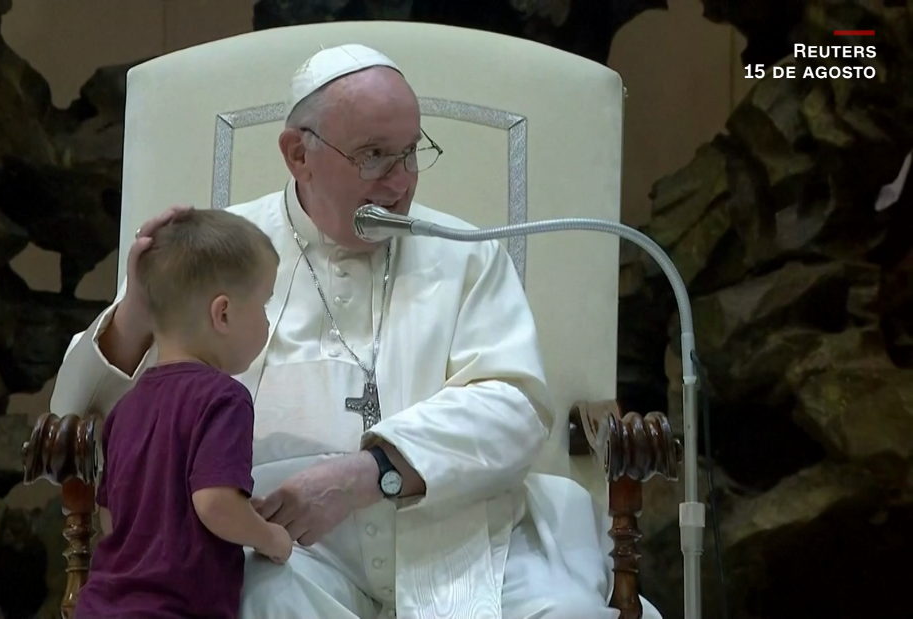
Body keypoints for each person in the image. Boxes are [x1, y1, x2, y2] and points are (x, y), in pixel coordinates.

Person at [52, 44, 662, 618]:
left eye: (410, 152)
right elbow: (82, 414)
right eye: (373, 155)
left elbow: (515, 406)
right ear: (298, 154)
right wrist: (135, 308)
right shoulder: (222, 250)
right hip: (289, 549)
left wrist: (372, 473)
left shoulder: (465, 252)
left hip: (458, 536)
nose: (400, 184)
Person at [72, 211, 294, 619]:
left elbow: (110, 516)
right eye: (264, 304)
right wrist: (270, 538)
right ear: (223, 314)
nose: (267, 320)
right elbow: (213, 504)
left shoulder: (126, 406)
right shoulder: (225, 398)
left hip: (101, 605)